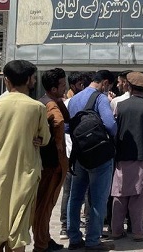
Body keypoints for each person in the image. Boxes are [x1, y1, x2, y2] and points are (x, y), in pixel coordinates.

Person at [0, 60, 51, 252]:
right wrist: (36, 139)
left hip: (0, 172)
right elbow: (44, 137)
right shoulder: (37, 108)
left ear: (6, 81)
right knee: (18, 227)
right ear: (28, 80)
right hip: (26, 173)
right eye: (34, 78)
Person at [66, 70, 116, 251]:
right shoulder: (100, 98)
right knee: (98, 198)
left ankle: (74, 238)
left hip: (79, 155)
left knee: (75, 197)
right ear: (104, 83)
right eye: (108, 85)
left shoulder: (74, 99)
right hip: (100, 157)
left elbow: (66, 127)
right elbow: (110, 125)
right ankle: (93, 240)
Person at [110, 72, 143, 241]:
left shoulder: (120, 106)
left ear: (129, 87)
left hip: (121, 157)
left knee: (119, 194)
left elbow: (113, 131)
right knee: (139, 196)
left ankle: (116, 230)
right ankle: (138, 232)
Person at [34, 68, 70, 252]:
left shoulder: (43, 102)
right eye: (63, 85)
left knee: (45, 204)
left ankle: (45, 238)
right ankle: (41, 244)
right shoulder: (51, 106)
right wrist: (58, 145)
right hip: (51, 163)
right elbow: (58, 122)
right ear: (54, 88)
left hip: (47, 162)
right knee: (45, 205)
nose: (66, 88)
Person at [60, 72, 92, 239]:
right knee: (73, 192)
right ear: (73, 86)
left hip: (79, 153)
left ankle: (74, 225)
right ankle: (67, 225)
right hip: (73, 154)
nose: (83, 89)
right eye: (80, 85)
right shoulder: (69, 103)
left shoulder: (68, 103)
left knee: (77, 192)